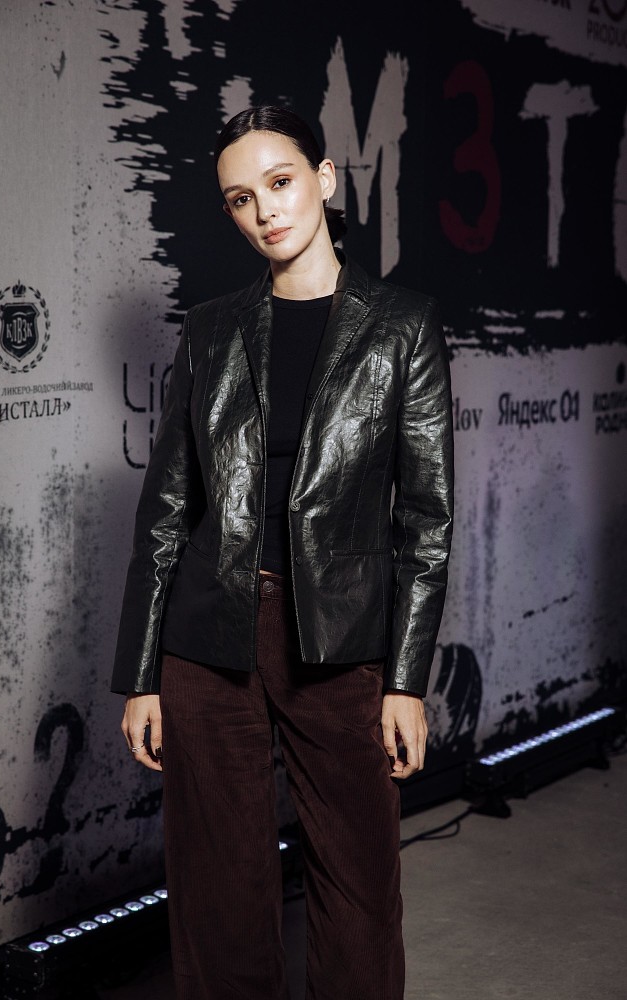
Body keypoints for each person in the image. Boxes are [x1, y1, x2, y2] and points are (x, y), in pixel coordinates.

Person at [111, 105, 454, 1000]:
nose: (264, 209)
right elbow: (167, 508)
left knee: (359, 885)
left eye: (280, 181)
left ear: (325, 179)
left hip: (339, 640)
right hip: (207, 637)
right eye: (239, 197)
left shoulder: (403, 326)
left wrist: (405, 681)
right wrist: (142, 674)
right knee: (217, 893)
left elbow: (425, 520)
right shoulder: (211, 328)